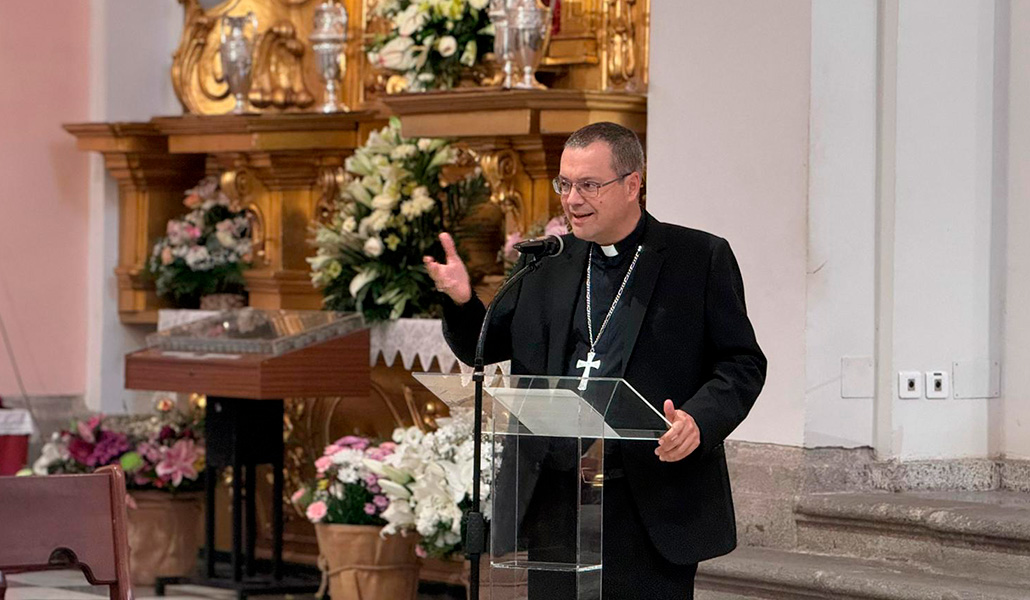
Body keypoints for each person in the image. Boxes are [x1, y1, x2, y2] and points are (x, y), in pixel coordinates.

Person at [424, 122, 766, 599]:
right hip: (557, 503)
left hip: (647, 499)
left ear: (632, 184)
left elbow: (741, 363)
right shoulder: (548, 261)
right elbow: (485, 347)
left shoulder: (698, 258)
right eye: (564, 184)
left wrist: (698, 421)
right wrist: (462, 301)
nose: (572, 199)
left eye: (588, 185)